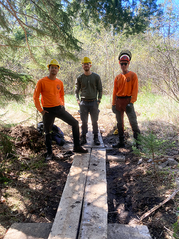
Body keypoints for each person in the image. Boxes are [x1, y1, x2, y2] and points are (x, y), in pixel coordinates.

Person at [33, 59, 88, 161]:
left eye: (55, 67)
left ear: (58, 70)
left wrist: (62, 104)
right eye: (52, 67)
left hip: (59, 109)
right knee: (47, 132)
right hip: (47, 111)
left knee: (75, 123)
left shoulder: (60, 82)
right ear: (49, 68)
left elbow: (62, 94)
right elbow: (35, 97)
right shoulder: (41, 81)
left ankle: (77, 146)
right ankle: (49, 153)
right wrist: (41, 110)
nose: (53, 69)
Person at [112, 50, 140, 148]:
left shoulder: (133, 75)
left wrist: (132, 102)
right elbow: (115, 92)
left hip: (128, 101)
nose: (123, 65)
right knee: (119, 123)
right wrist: (113, 104)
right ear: (119, 64)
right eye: (122, 63)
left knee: (133, 122)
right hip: (119, 101)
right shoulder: (118, 77)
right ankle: (121, 142)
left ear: (128, 63)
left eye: (125, 63)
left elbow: (135, 90)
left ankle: (138, 144)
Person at [75, 57, 102, 145]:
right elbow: (76, 90)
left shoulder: (96, 77)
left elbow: (100, 89)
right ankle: (83, 137)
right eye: (84, 64)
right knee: (84, 121)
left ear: (90, 65)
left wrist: (98, 100)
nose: (86, 65)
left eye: (87, 64)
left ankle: (96, 138)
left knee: (94, 121)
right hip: (83, 102)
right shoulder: (80, 78)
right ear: (82, 66)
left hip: (94, 102)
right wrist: (78, 100)